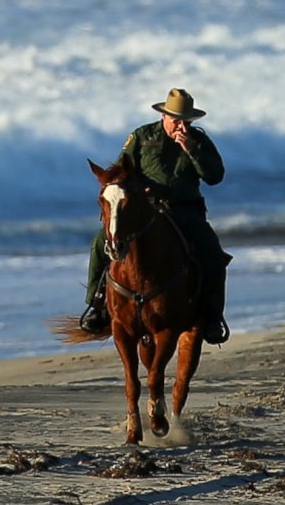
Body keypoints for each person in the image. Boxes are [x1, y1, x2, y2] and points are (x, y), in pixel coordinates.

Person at [78, 87, 230, 344]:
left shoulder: (199, 141)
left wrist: (191, 149)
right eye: (175, 120)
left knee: (212, 253)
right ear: (164, 117)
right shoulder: (142, 136)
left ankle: (212, 317)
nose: (180, 126)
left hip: (185, 211)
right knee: (100, 242)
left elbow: (215, 176)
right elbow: (119, 172)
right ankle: (97, 305)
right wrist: (134, 188)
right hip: (145, 211)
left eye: (185, 121)